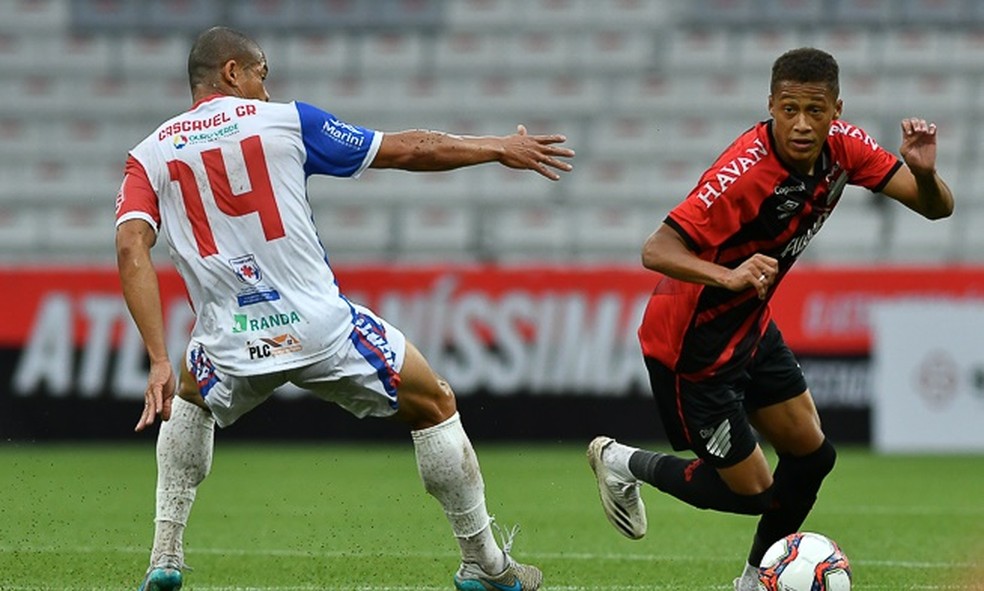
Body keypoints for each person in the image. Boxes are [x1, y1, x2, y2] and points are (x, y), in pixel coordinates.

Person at [115, 26, 573, 591]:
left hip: (228, 342)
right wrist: (496, 146)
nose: (265, 88)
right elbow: (407, 148)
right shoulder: (287, 120)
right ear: (232, 71)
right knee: (435, 403)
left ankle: (165, 555)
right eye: (261, 72)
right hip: (320, 329)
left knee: (190, 396)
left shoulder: (148, 154)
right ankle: (483, 562)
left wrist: (158, 357)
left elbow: (131, 246)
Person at [587, 47, 953, 591]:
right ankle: (621, 461)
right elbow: (655, 250)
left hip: (750, 328)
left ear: (836, 110)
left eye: (815, 109)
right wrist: (730, 277)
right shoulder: (743, 174)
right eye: (788, 109)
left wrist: (924, 174)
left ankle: (755, 580)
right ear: (771, 106)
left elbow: (937, 207)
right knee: (752, 493)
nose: (801, 124)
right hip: (692, 345)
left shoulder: (845, 148)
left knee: (812, 457)